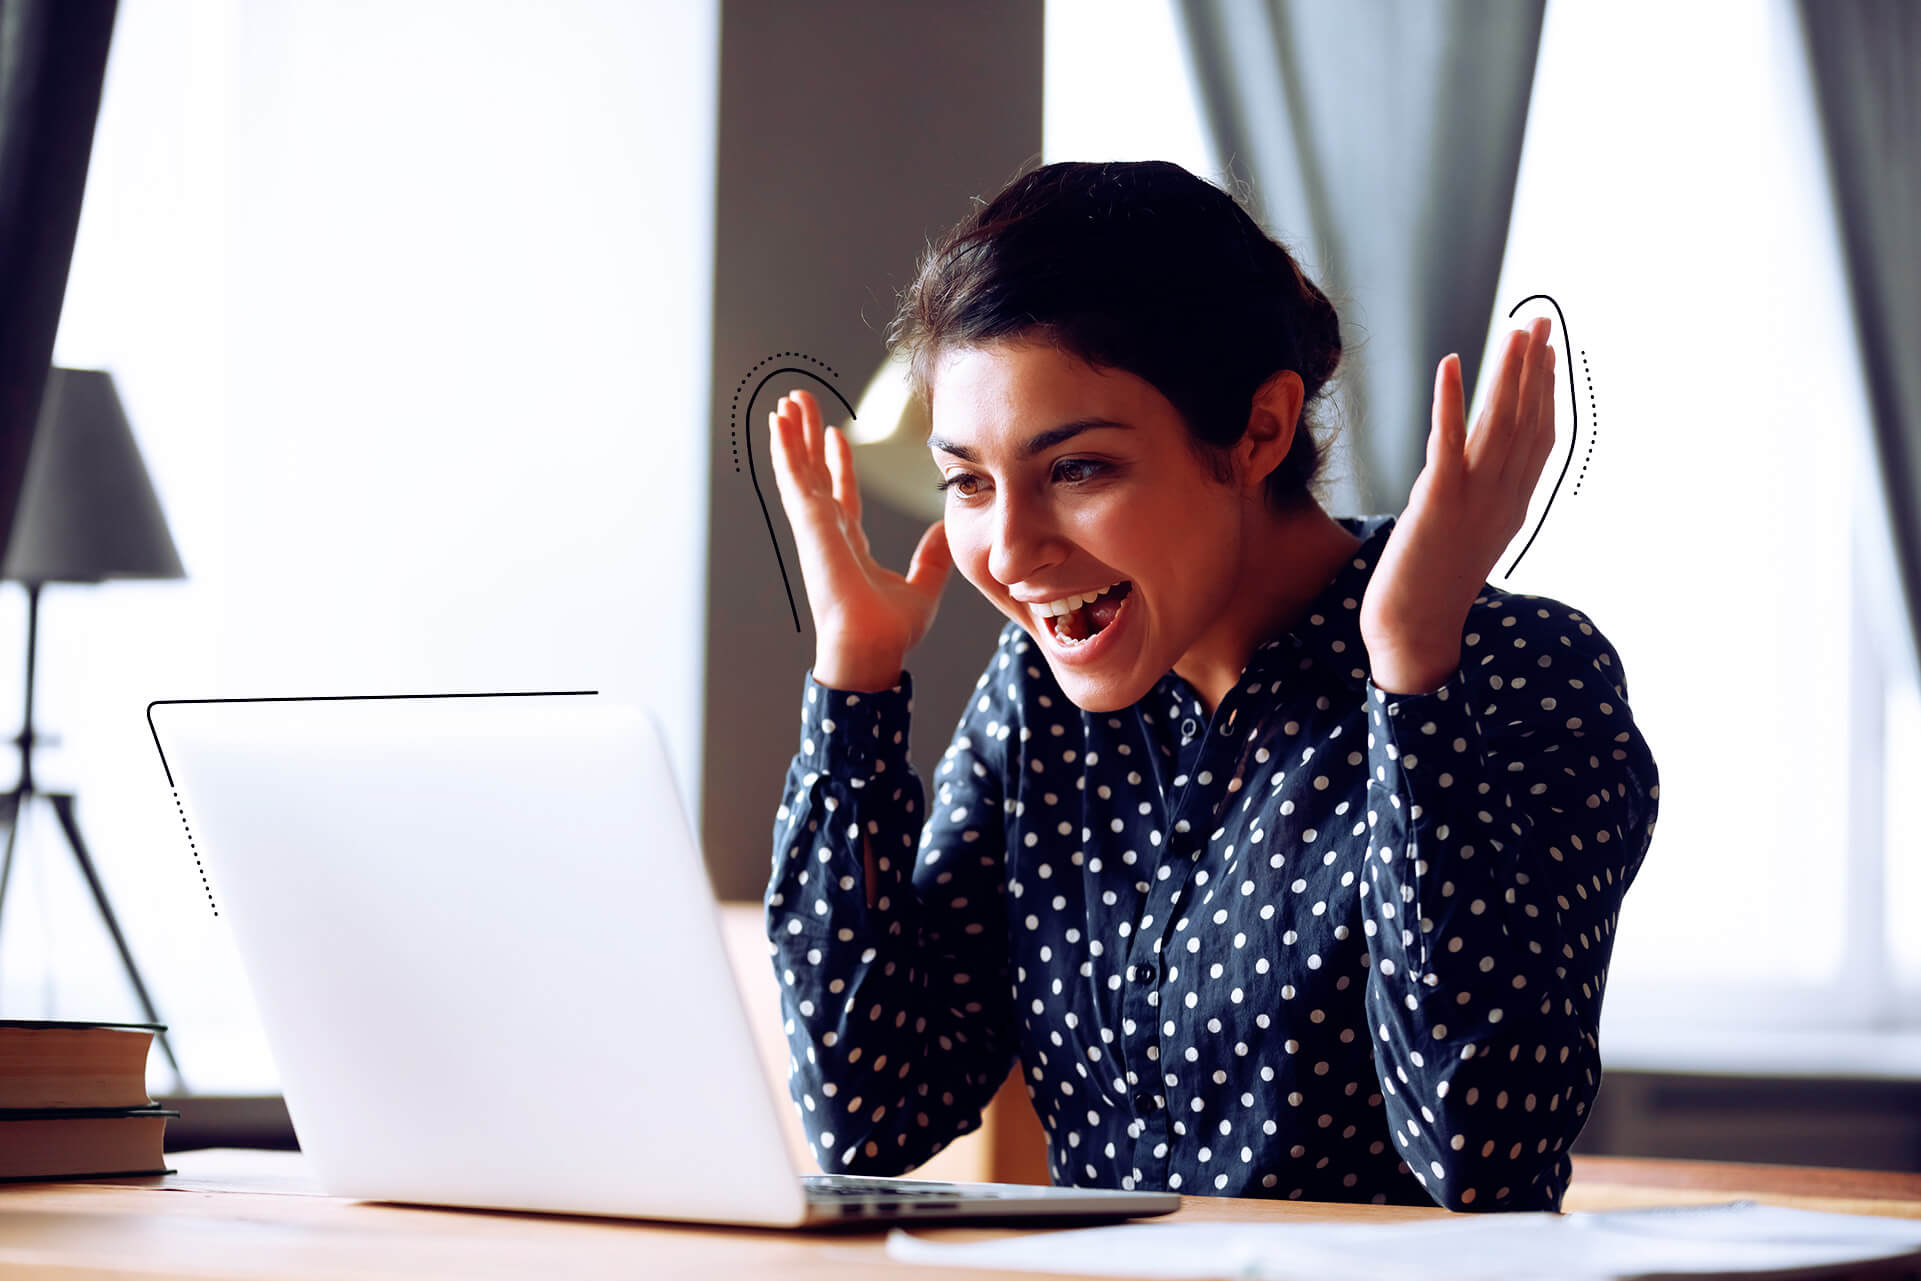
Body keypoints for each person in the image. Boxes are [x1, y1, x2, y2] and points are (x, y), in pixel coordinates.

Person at [762, 159, 1658, 1213]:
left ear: (1259, 432)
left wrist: (1413, 669)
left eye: (1077, 469)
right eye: (967, 481)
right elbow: (868, 1112)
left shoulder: (1519, 671)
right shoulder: (1039, 698)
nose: (1007, 549)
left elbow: (1484, 1152)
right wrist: (854, 686)